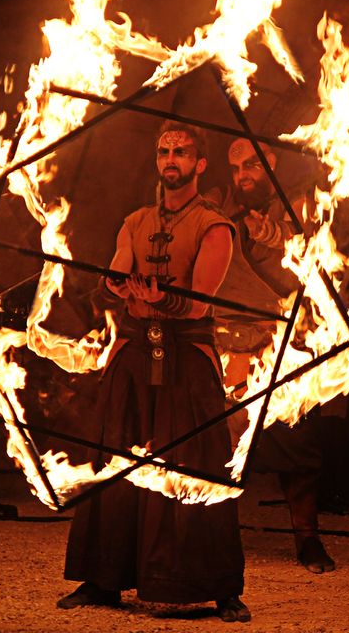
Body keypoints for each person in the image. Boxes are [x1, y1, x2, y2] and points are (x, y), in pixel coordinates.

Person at [59, 121, 250, 623]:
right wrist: (116, 286)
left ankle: (221, 588)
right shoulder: (135, 221)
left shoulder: (214, 226)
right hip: (133, 355)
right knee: (115, 459)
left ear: (199, 164)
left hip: (188, 361)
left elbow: (196, 306)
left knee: (198, 467)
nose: (171, 159)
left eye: (182, 153)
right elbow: (120, 270)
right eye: (164, 151)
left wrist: (161, 298)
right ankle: (102, 580)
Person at [204, 137, 337, 574]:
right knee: (216, 440)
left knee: (297, 441)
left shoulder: (300, 204)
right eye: (237, 167)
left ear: (272, 165)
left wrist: (273, 234)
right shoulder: (220, 209)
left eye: (253, 166)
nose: (244, 175)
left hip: (284, 340)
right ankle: (212, 534)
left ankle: (308, 538)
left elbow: (307, 249)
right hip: (228, 342)